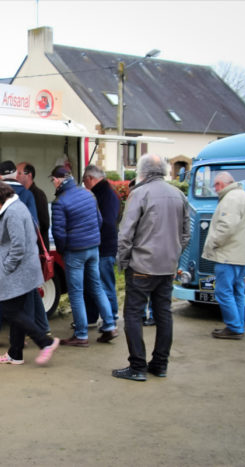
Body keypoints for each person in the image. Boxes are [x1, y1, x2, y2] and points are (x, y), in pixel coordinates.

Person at [113, 154, 190, 381]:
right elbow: (186, 233)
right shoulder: (178, 194)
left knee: (133, 315)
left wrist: (123, 260)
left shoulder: (140, 193)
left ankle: (137, 366)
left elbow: (125, 233)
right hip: (167, 266)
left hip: (142, 265)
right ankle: (160, 364)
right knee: (164, 314)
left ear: (142, 173)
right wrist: (174, 254)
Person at [0, 180, 59, 365]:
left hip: (18, 270)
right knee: (17, 311)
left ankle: (45, 342)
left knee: (10, 311)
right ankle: (15, 354)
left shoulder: (13, 212)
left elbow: (18, 245)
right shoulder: (17, 206)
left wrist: (6, 267)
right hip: (24, 269)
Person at [0, 161, 49, 348]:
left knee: (1, 298)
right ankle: (33, 337)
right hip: (21, 258)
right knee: (25, 297)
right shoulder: (26, 195)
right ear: (16, 175)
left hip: (3, 256)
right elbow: (34, 225)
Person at [50, 165, 118, 347]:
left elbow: (58, 233)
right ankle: (110, 326)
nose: (53, 183)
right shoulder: (89, 194)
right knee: (97, 287)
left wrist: (63, 250)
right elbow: (99, 220)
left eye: (53, 180)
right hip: (93, 248)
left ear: (59, 180)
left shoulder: (60, 202)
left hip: (75, 251)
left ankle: (81, 335)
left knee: (76, 293)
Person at [201, 171, 245, 340]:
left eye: (215, 185)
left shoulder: (230, 199)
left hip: (227, 254)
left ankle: (234, 327)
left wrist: (212, 243)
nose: (214, 189)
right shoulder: (244, 197)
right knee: (238, 291)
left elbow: (226, 226)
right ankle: (238, 324)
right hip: (240, 254)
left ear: (221, 184)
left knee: (223, 291)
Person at [82, 164, 121, 324]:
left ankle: (110, 318)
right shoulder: (110, 192)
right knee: (94, 284)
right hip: (105, 245)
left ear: (90, 178)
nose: (84, 184)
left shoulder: (102, 194)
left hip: (103, 247)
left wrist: (93, 237)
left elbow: (108, 223)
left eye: (84, 180)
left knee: (104, 284)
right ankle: (93, 317)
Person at [16, 162, 50, 251]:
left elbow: (44, 223)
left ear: (29, 175)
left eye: (19, 173)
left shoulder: (38, 195)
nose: (16, 176)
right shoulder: (19, 195)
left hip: (38, 249)